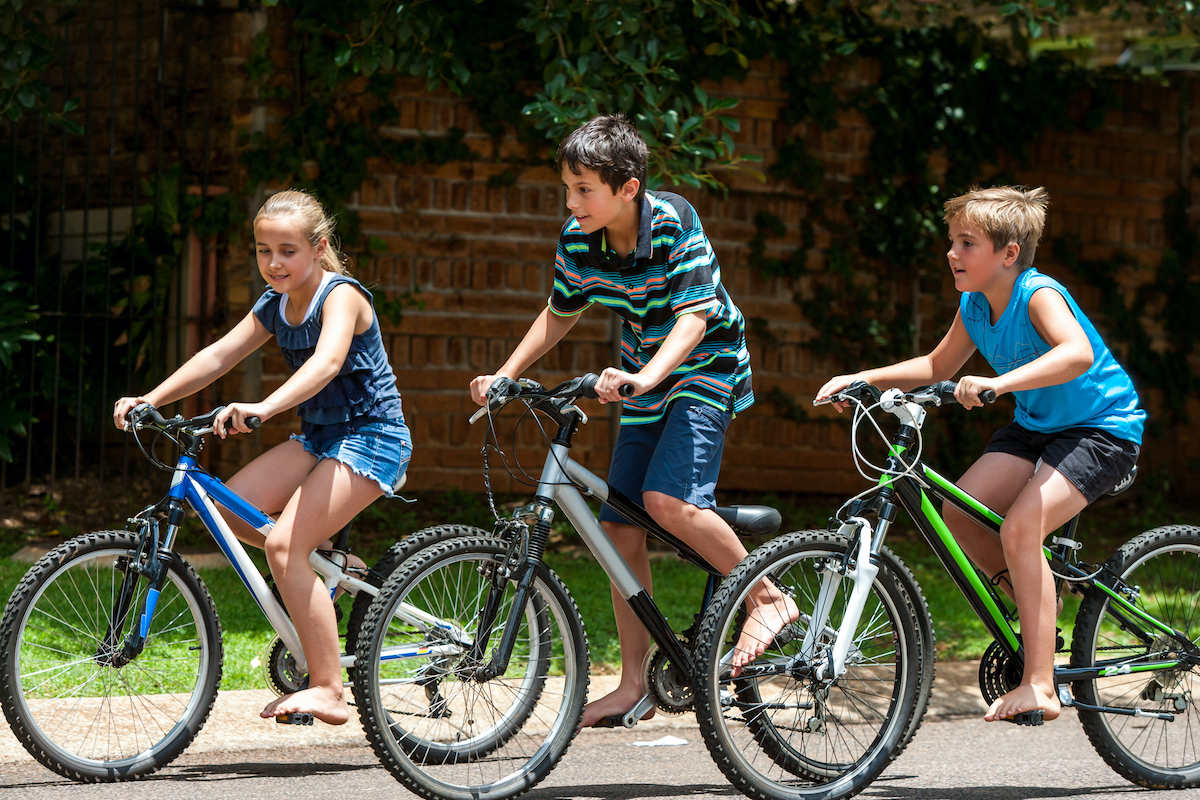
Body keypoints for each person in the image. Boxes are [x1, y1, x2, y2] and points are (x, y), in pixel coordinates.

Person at [469, 114, 799, 729]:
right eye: (567, 188)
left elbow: (696, 318)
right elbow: (559, 311)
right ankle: (633, 684)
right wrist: (506, 374)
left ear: (628, 188)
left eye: (583, 189)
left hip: (705, 370)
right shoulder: (579, 238)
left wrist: (648, 376)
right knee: (620, 528)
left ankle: (770, 598)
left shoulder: (674, 222)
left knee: (667, 502)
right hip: (641, 379)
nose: (572, 203)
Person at [816, 186, 1144, 724]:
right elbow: (938, 364)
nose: (951, 253)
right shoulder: (973, 304)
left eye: (967, 243)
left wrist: (1000, 384)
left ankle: (1041, 684)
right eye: (952, 241)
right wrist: (862, 378)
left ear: (1008, 254)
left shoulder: (1038, 295)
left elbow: (1077, 353)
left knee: (1019, 530)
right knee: (959, 512)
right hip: (1037, 426)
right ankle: (1041, 606)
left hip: (1100, 428)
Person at [113, 189, 412, 725]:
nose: (273, 262)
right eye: (263, 250)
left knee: (281, 549)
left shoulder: (340, 296)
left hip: (373, 437)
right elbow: (219, 354)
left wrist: (266, 407)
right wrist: (150, 398)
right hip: (321, 436)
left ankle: (329, 688)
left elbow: (328, 362)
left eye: (288, 250)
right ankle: (337, 569)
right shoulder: (275, 304)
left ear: (319, 248)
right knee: (229, 512)